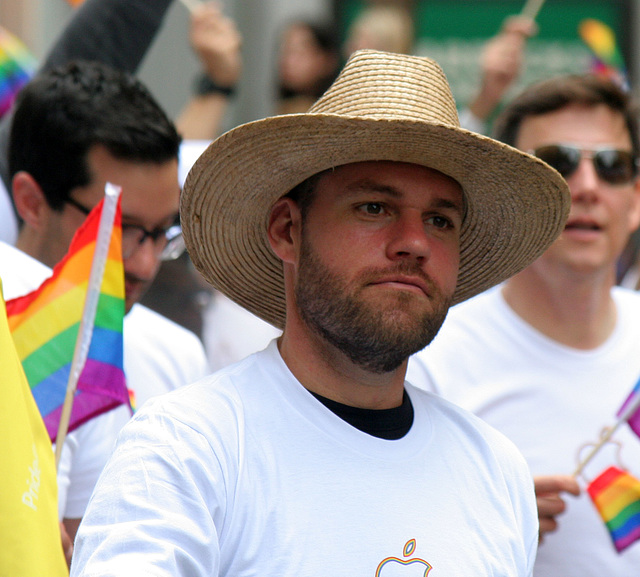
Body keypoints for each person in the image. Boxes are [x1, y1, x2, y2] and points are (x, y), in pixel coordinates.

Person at [71, 49, 570, 576]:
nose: (414, 242)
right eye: (374, 208)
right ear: (287, 229)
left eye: (440, 220)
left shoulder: (495, 470)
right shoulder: (189, 450)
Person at [408, 73, 640, 576]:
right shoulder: (428, 355)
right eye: (556, 163)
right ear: (512, 198)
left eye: (612, 166)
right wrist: (481, 528)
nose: (588, 187)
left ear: (636, 198)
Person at [2, 59, 208, 548]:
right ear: (31, 201)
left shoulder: (177, 357)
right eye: (119, 229)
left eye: (163, 233)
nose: (145, 263)